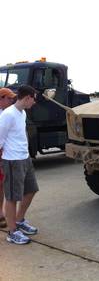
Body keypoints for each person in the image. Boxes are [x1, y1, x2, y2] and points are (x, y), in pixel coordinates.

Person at [0, 85, 39, 245]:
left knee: (31, 190)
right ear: (27, 97)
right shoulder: (8, 115)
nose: (35, 102)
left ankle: (19, 220)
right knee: (12, 197)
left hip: (25, 158)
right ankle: (12, 232)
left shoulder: (21, 113)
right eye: (34, 98)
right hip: (12, 160)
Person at [0, 88, 17, 229]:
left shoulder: (7, 113)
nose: (12, 101)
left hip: (4, 153)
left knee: (2, 184)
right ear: (1, 98)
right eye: (9, 98)